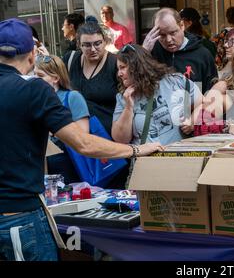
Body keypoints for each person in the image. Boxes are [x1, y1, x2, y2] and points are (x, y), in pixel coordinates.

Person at [0, 18, 163, 261]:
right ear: (32, 54)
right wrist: (135, 150)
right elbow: (83, 143)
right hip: (18, 216)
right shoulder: (33, 89)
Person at [112, 44, 202, 148]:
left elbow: (203, 103)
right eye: (118, 69)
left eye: (122, 68)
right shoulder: (122, 97)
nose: (119, 74)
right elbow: (120, 139)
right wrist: (128, 107)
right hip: (146, 161)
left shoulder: (175, 81)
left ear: (136, 66)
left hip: (180, 157)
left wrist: (193, 120)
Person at [34, 54, 89, 183]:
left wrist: (55, 130)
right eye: (34, 74)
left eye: (40, 76)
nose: (35, 79)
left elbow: (83, 134)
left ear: (56, 78)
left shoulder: (72, 97)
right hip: (41, 164)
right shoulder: (35, 99)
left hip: (70, 163)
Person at [142, 7, 218, 93]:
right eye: (162, 35)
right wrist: (143, 52)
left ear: (182, 26)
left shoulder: (202, 55)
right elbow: (136, 83)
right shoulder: (151, 51)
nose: (168, 40)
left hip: (192, 104)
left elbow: (212, 91)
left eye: (172, 32)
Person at [63, 22, 118, 135]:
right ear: (79, 44)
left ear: (104, 41)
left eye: (97, 43)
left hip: (108, 136)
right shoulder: (70, 60)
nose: (93, 49)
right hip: (77, 136)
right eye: (87, 45)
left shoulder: (115, 63)